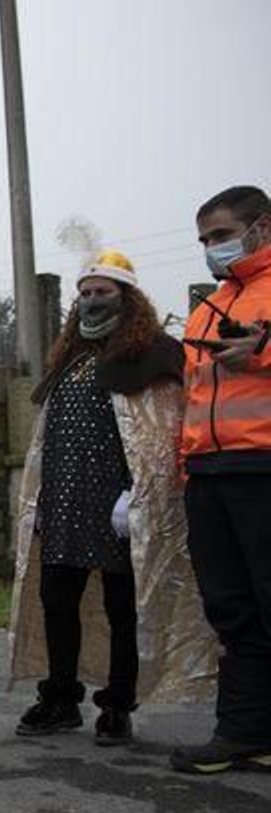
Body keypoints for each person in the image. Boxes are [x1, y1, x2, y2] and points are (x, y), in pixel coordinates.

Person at [8, 251, 212, 744]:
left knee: (123, 609)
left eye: (103, 291)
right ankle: (60, 697)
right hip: (63, 504)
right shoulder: (71, 358)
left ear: (127, 296)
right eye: (85, 293)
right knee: (57, 602)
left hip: (119, 508)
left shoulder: (154, 354)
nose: (92, 300)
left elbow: (159, 438)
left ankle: (118, 705)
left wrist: (135, 496)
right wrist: (40, 499)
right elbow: (47, 439)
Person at [171, 185, 271, 774]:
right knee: (231, 609)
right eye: (205, 239)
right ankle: (244, 733)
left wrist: (263, 351)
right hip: (209, 474)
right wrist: (185, 466)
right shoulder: (207, 309)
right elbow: (193, 397)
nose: (213, 247)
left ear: (262, 228)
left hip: (263, 468)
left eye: (222, 235)